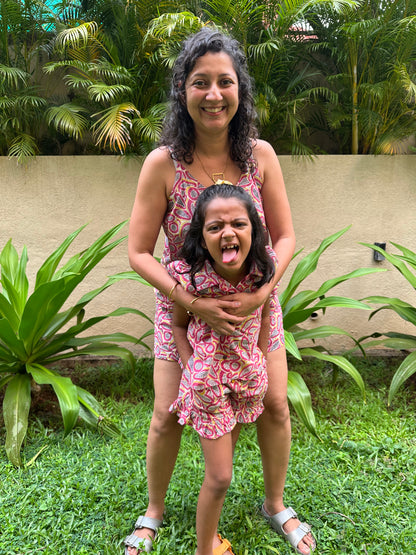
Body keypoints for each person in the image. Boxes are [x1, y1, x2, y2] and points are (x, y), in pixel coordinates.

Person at [126, 26, 316, 555]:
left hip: (256, 311)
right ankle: (153, 513)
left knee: (276, 404)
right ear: (183, 91)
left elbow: (285, 235)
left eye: (224, 82)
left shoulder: (261, 156)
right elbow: (138, 251)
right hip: (184, 313)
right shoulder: (162, 164)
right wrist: (192, 303)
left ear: (240, 91)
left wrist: (261, 295)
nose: (213, 94)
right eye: (200, 82)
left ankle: (275, 504)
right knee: (166, 414)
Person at [167, 183, 275, 555]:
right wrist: (191, 364)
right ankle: (204, 549)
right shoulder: (192, 279)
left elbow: (266, 316)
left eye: (238, 224)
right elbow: (178, 324)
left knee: (222, 467)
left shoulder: (262, 274)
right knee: (220, 475)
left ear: (253, 230)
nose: (227, 232)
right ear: (202, 235)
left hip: (247, 384)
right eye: (215, 227)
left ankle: (210, 535)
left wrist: (259, 359)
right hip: (207, 386)